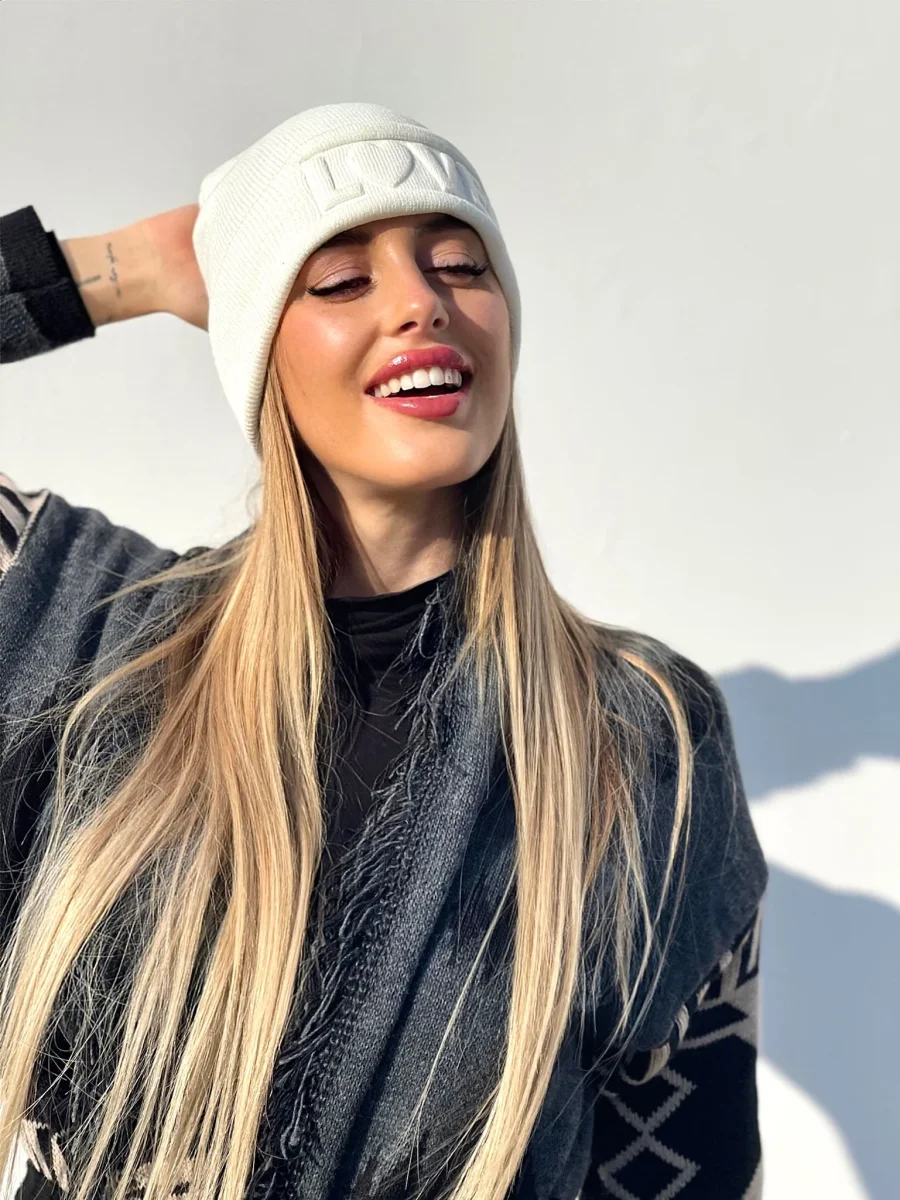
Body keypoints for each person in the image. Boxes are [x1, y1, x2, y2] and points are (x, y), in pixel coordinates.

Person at [0, 102, 768, 1200]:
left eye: (459, 266)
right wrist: (128, 270)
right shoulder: (86, 633)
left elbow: (693, 1165)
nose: (421, 303)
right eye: (337, 280)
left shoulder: (640, 736)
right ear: (260, 347)